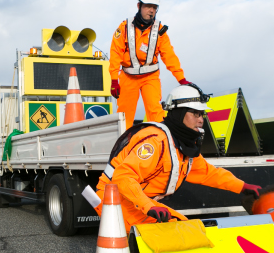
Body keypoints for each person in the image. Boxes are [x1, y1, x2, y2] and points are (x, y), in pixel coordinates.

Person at [93, 84, 261, 232]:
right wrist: (148, 206)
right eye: (195, 114)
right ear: (180, 113)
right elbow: (123, 177)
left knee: (186, 229)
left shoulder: (182, 144)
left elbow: (208, 173)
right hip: (114, 198)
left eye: (201, 114)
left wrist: (242, 186)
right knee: (177, 235)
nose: (201, 120)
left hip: (136, 200)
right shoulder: (155, 141)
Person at [109, 0, 191, 129]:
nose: (151, 11)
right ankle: (123, 149)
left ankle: (159, 146)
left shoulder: (160, 31)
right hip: (128, 78)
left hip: (150, 78)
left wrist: (181, 79)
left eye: (154, 7)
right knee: (124, 117)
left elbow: (169, 55)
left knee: (156, 113)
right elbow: (115, 53)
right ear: (139, 6)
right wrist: (114, 80)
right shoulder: (124, 28)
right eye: (148, 6)